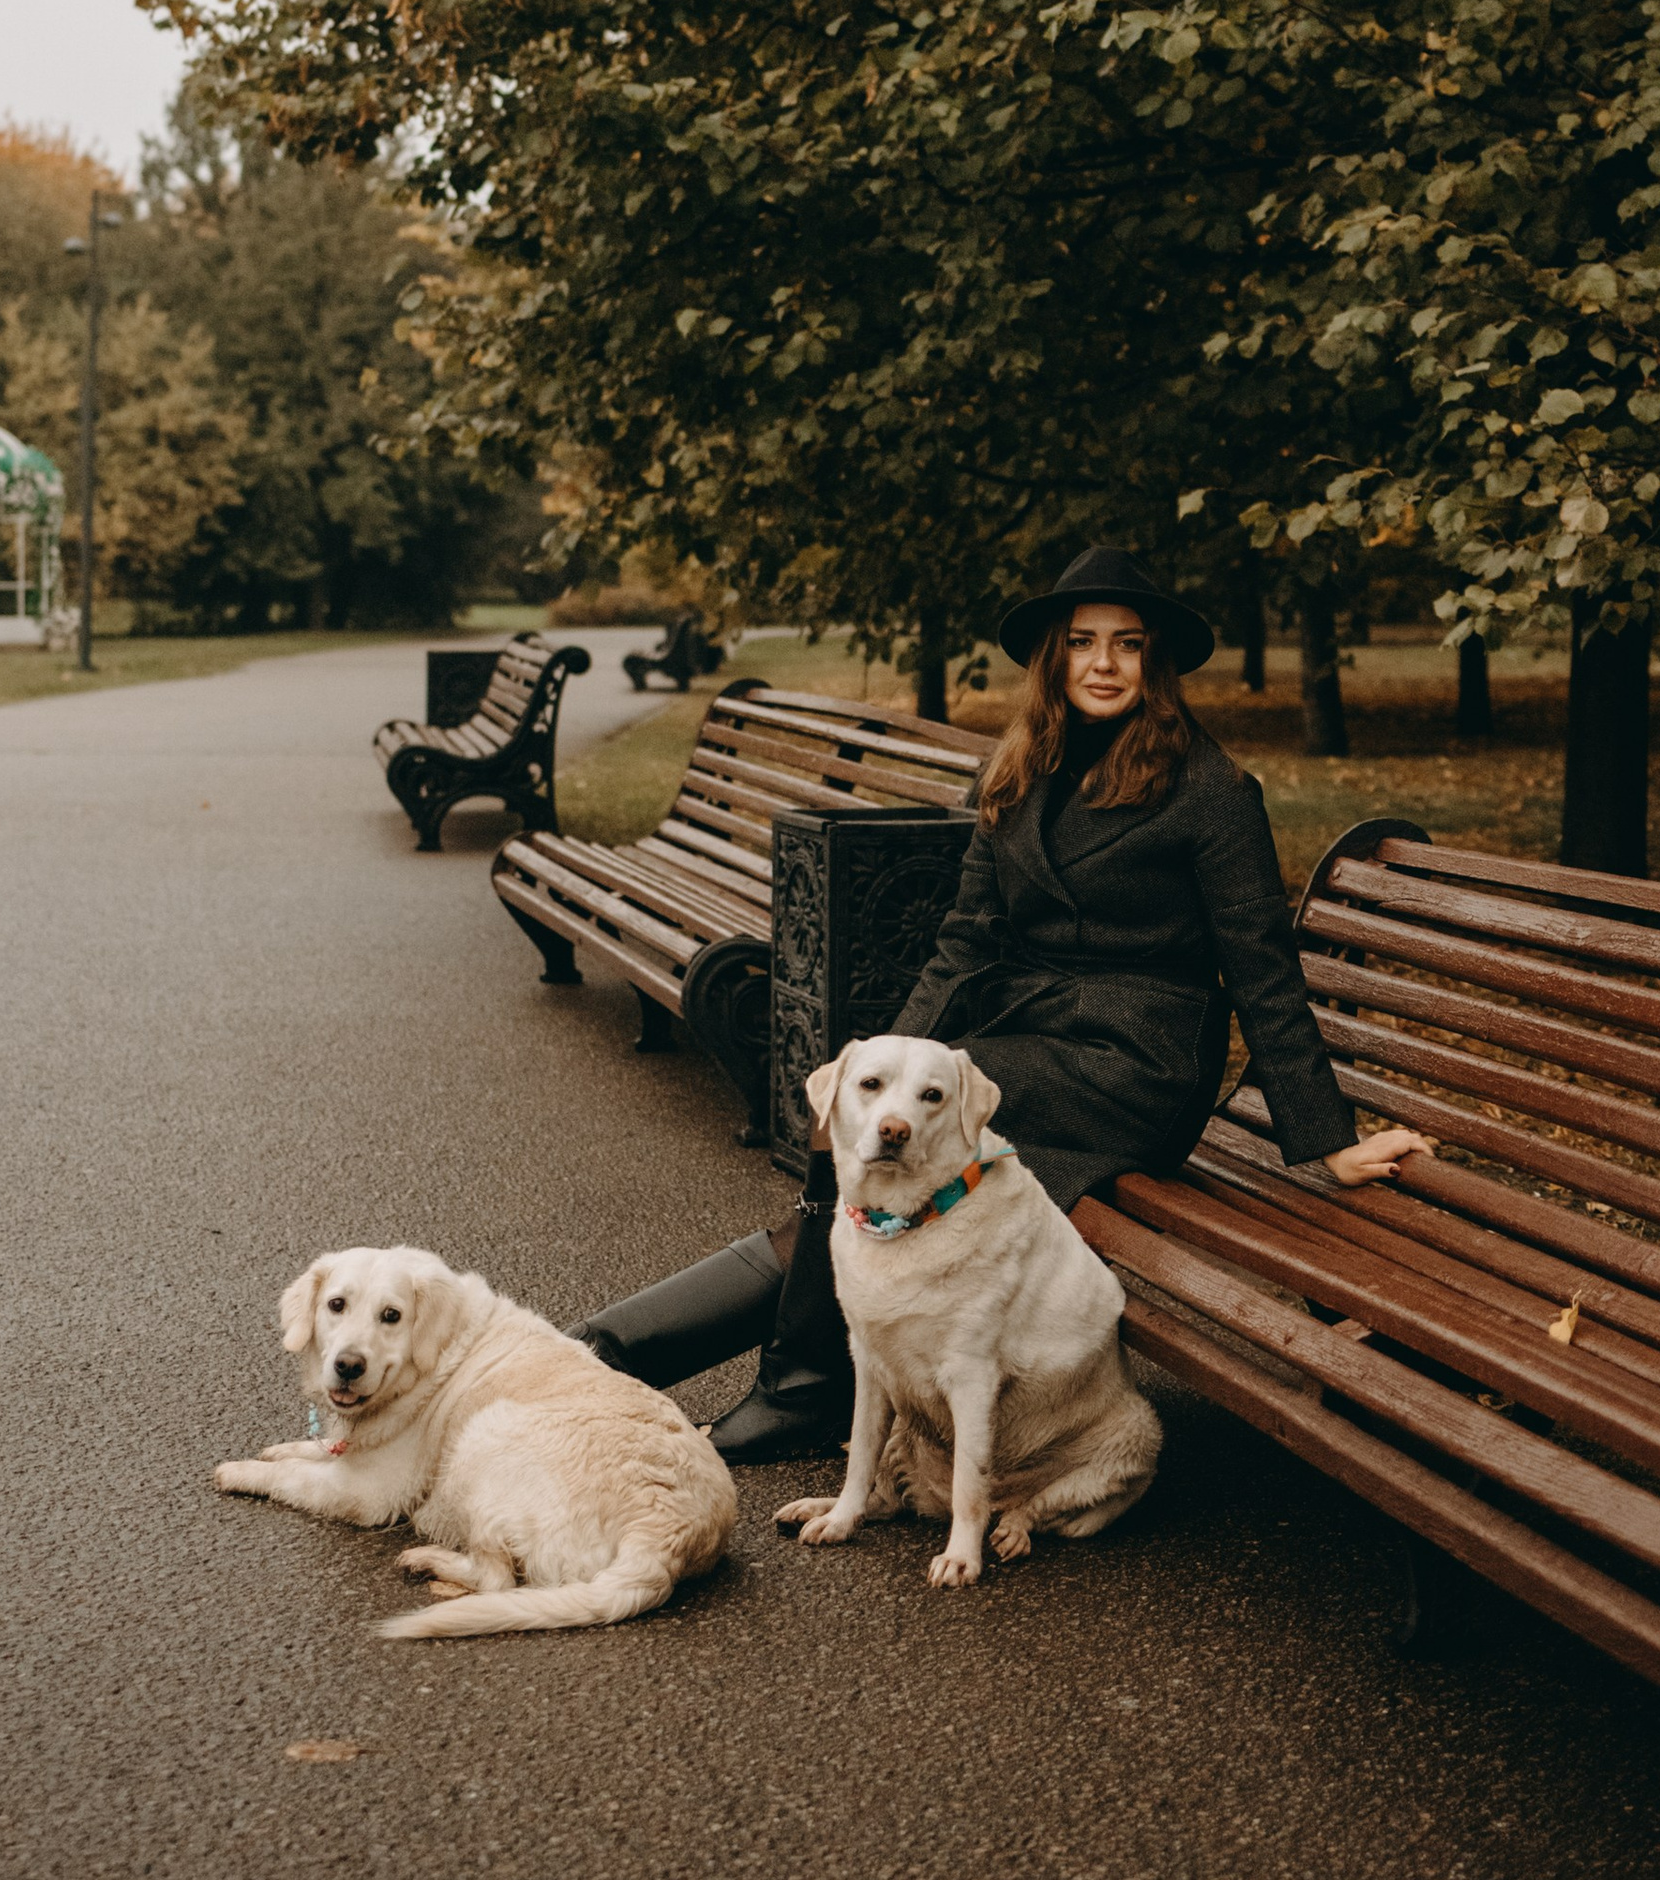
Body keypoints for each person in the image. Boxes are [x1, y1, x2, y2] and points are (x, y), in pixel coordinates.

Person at [575, 543, 1431, 1460]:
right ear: (1053, 658)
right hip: (1029, 1036)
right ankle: (637, 1357)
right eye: (1084, 643)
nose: (1105, 664)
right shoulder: (1017, 772)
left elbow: (1262, 969)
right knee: (861, 1131)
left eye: (1129, 644)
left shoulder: (1210, 792)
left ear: (1155, 662)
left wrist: (1326, 1139)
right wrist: (883, 1068)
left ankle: (764, 1378)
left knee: (902, 1138)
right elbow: (966, 939)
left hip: (1134, 1066)